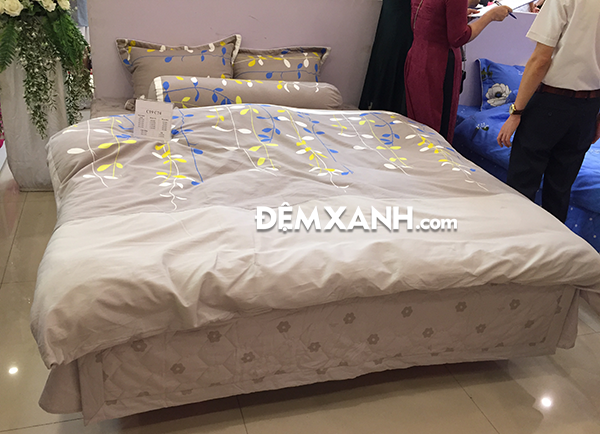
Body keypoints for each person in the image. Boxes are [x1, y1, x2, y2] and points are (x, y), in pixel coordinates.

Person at [497, 0, 600, 223]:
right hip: (589, 107)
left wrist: (516, 112)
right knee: (560, 191)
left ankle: (516, 239)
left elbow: (540, 60)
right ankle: (553, 243)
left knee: (522, 186)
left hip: (551, 103)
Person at [404, 0, 511, 143]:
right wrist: (490, 16)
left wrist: (456, 16)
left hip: (417, 57)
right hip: (439, 66)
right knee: (435, 128)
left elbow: (427, 18)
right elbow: (459, 37)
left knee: (418, 122)